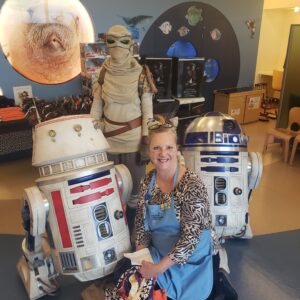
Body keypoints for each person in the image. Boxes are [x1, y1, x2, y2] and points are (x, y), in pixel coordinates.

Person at [134, 117, 238, 300]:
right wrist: (141, 258)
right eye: (156, 147)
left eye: (169, 147)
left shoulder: (191, 184)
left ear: (177, 149)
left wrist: (157, 269)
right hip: (160, 253)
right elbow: (142, 228)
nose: (162, 153)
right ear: (149, 151)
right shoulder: (146, 182)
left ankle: (218, 277)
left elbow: (190, 239)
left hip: (192, 261)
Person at [90, 25, 157, 234]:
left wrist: (147, 141)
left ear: (131, 44)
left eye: (123, 41)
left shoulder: (141, 75)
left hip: (134, 144)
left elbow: (148, 112)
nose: (117, 46)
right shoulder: (102, 73)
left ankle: (136, 236)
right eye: (112, 41)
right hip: (109, 144)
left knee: (135, 195)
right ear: (106, 43)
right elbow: (97, 106)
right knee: (111, 193)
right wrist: (91, 132)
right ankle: (116, 235)